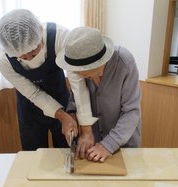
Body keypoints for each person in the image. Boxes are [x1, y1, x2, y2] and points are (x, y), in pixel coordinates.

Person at [0, 9, 96, 150]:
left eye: (33, 51)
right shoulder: (3, 60)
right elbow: (33, 93)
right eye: (23, 57)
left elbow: (78, 82)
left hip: (61, 98)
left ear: (39, 32)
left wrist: (86, 129)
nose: (30, 58)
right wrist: (62, 117)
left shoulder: (60, 37)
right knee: (34, 158)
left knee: (66, 152)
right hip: (30, 109)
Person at [56, 27, 141, 162]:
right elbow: (76, 96)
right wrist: (72, 114)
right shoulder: (79, 69)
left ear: (102, 61)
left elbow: (131, 112)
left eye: (85, 73)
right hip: (92, 144)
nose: (79, 75)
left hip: (123, 143)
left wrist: (108, 145)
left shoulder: (124, 62)